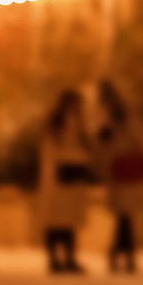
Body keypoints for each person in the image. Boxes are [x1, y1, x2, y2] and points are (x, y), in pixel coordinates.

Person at [95, 80, 143, 273]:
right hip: (121, 170)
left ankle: (120, 253)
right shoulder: (112, 116)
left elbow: (133, 139)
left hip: (122, 169)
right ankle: (123, 254)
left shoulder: (117, 116)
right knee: (124, 216)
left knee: (123, 215)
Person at [36, 87, 98, 274]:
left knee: (68, 222)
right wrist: (80, 157)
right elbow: (54, 152)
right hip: (60, 178)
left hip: (71, 177)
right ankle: (56, 260)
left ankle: (67, 259)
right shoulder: (57, 125)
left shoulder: (76, 124)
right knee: (57, 222)